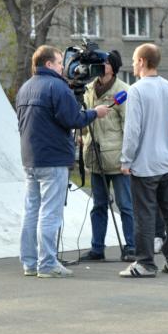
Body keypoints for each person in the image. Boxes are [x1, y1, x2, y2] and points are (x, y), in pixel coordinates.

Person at [16, 45, 109, 278]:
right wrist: (95, 113)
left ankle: (29, 262)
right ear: (48, 64)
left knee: (31, 211)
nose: (63, 67)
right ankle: (47, 263)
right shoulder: (57, 87)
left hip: (30, 157)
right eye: (59, 63)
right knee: (50, 213)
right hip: (53, 158)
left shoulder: (26, 87)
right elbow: (73, 119)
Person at [119, 43, 168, 278]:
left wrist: (126, 160)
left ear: (142, 62)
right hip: (167, 163)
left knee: (144, 215)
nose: (132, 64)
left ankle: (146, 263)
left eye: (134, 60)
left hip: (144, 165)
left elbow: (133, 129)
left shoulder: (137, 90)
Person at [80, 50, 135, 261]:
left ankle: (131, 246)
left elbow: (129, 127)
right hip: (94, 156)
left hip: (117, 159)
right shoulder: (88, 88)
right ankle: (97, 248)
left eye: (104, 62)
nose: (101, 65)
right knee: (98, 206)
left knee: (126, 205)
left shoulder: (123, 91)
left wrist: (127, 159)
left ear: (113, 66)